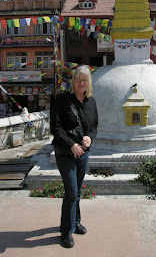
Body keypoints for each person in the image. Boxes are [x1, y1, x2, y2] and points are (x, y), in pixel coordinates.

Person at [51, 65, 98, 248]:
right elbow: (56, 127)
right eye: (78, 79)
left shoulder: (91, 102)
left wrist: (89, 138)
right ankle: (66, 232)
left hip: (83, 154)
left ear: (88, 83)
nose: (81, 82)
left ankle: (76, 222)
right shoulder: (62, 100)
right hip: (65, 153)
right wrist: (71, 145)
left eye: (85, 80)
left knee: (77, 191)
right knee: (71, 192)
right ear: (73, 81)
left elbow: (94, 126)